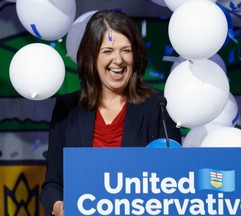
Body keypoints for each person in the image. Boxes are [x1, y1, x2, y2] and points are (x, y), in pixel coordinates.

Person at [40, 9, 182, 216]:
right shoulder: (67, 108)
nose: (118, 60)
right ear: (91, 56)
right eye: (107, 51)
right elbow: (52, 184)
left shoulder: (158, 106)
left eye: (126, 50)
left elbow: (175, 182)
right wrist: (58, 206)